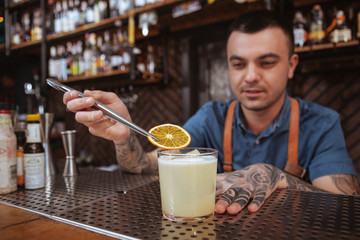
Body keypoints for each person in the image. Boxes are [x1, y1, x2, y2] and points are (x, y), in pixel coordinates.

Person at [63, 10, 360, 215]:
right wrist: (124, 134)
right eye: (239, 64)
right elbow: (143, 168)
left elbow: (347, 205)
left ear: (292, 64)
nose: (251, 76)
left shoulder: (321, 123)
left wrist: (275, 175)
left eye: (267, 62)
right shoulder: (211, 118)